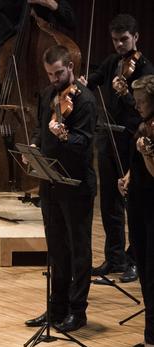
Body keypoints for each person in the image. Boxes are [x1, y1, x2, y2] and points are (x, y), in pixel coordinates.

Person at [0, 0, 75, 206]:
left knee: (43, 124)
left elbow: (71, 20)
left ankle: (45, 186)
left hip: (37, 66)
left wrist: (50, 4)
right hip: (5, 60)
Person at [23, 45, 96, 333]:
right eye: (50, 74)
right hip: (50, 181)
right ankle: (56, 309)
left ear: (70, 68)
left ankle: (78, 312)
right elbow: (42, 128)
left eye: (58, 73)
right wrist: (35, 146)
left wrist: (64, 137)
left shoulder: (85, 101)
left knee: (78, 250)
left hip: (76, 184)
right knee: (56, 249)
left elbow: (84, 143)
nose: (54, 79)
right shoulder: (47, 94)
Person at [78, 14, 154, 283]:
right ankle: (114, 258)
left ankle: (134, 260)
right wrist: (82, 82)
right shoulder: (112, 63)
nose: (120, 45)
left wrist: (125, 94)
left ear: (136, 37)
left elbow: (146, 110)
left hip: (133, 141)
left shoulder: (145, 69)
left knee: (131, 202)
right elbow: (94, 80)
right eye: (115, 40)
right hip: (108, 137)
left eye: (124, 39)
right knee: (109, 200)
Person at [118, 74, 154, 347]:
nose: (136, 105)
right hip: (138, 204)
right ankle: (150, 333)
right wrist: (127, 177)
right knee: (142, 269)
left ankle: (152, 339)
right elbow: (137, 169)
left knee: (153, 273)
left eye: (141, 101)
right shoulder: (142, 126)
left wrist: (146, 155)